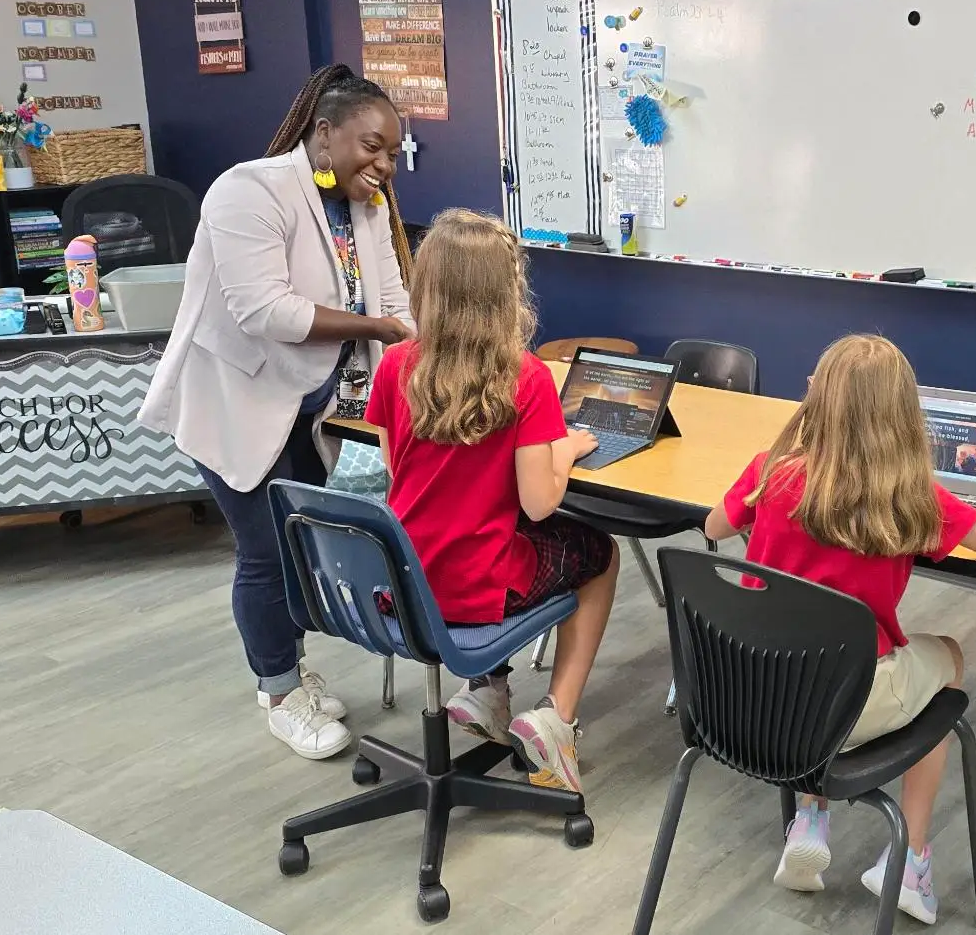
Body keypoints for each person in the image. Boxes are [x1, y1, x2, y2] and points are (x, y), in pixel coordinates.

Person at [704, 335, 976, 923]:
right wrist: (961, 511)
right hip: (848, 704)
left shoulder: (771, 472)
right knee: (949, 661)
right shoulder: (911, 497)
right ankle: (911, 860)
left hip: (751, 694)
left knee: (806, 645)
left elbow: (713, 524)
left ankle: (810, 816)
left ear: (817, 400)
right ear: (905, 418)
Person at [141, 65, 415, 762]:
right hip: (234, 399)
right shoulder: (246, 191)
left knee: (299, 548)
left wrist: (427, 354)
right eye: (371, 147)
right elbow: (263, 309)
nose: (383, 166)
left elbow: (393, 303)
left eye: (392, 153)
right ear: (324, 134)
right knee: (264, 551)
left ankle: (287, 675)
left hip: (306, 401)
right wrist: (378, 328)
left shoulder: (366, 208)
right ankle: (280, 692)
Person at [364, 209, 619, 794]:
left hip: (401, 581)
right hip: (477, 586)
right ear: (507, 291)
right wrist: (565, 451)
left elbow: (396, 468)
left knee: (507, 538)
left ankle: (486, 691)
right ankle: (556, 717)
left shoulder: (398, 366)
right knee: (599, 554)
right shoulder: (524, 378)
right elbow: (538, 505)